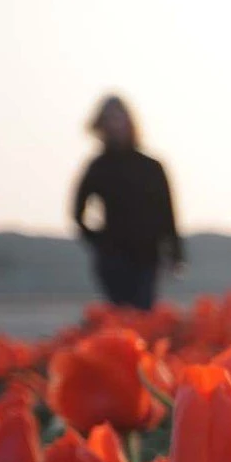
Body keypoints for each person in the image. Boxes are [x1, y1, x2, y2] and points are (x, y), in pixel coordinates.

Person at [71, 95, 184, 311]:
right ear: (101, 126)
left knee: (143, 312)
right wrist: (98, 241)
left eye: (119, 118)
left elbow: (167, 212)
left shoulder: (151, 167)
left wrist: (176, 252)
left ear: (130, 122)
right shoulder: (98, 167)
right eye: (109, 120)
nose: (115, 125)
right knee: (121, 313)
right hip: (114, 257)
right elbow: (77, 211)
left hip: (148, 255)